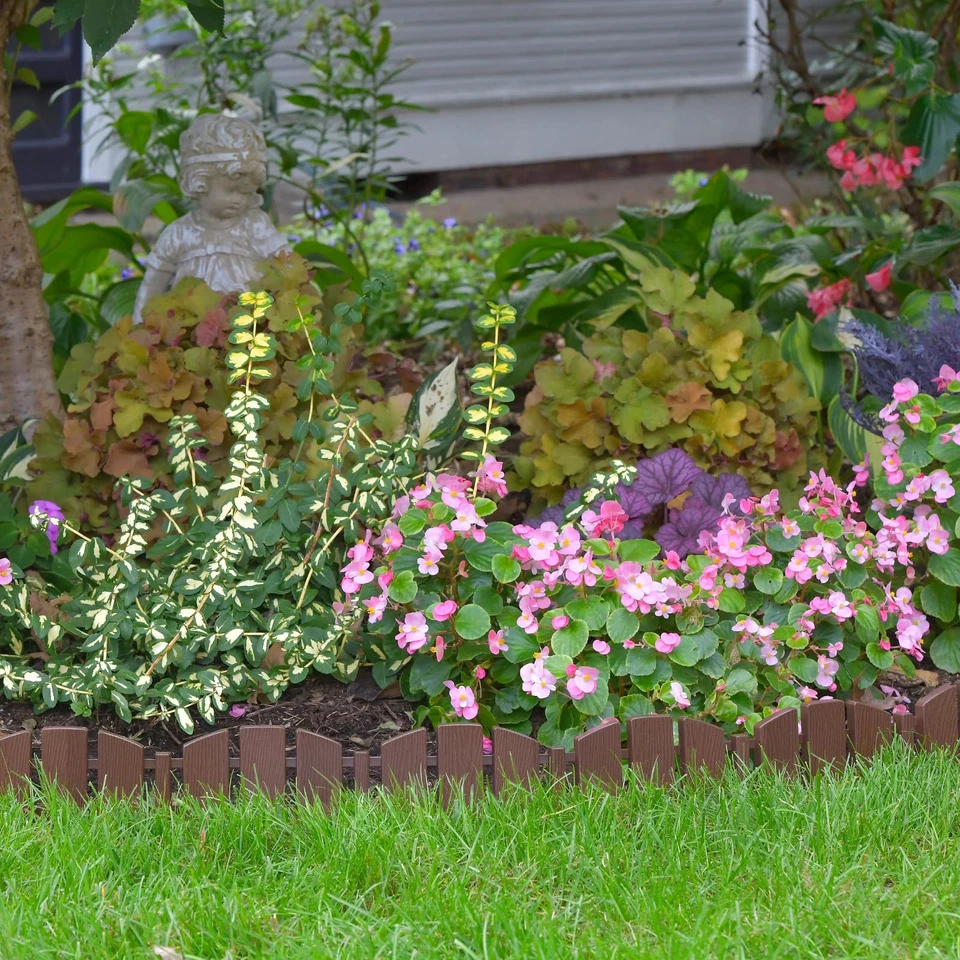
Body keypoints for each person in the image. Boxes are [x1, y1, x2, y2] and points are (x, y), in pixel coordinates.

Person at [133, 114, 289, 322]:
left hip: (251, 331)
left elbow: (288, 267)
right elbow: (152, 285)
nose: (239, 200)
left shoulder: (255, 226)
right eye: (232, 191)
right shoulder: (180, 234)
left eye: (246, 193)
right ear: (200, 183)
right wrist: (140, 328)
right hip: (190, 336)